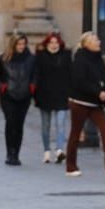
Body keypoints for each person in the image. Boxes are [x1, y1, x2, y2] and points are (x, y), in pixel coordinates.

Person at [64, 32, 105, 178]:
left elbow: (103, 79)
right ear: (86, 43)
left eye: (98, 39)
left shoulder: (99, 59)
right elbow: (80, 82)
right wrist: (97, 92)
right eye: (94, 39)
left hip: (95, 103)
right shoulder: (79, 60)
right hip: (79, 102)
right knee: (75, 134)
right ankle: (70, 166)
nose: (98, 41)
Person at [0, 34, 36, 166]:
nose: (21, 47)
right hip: (8, 96)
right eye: (19, 44)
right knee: (10, 122)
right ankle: (10, 153)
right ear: (13, 45)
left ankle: (16, 153)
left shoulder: (31, 58)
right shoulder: (2, 58)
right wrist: (2, 87)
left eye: (23, 44)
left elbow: (36, 74)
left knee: (19, 124)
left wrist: (32, 86)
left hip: (24, 96)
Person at [33, 32, 71, 163]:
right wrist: (35, 93)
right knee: (46, 125)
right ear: (47, 44)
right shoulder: (40, 56)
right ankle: (46, 151)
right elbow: (36, 75)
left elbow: (70, 74)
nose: (54, 45)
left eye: (56, 42)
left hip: (62, 94)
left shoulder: (66, 55)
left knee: (60, 124)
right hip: (45, 95)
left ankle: (60, 150)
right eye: (51, 42)